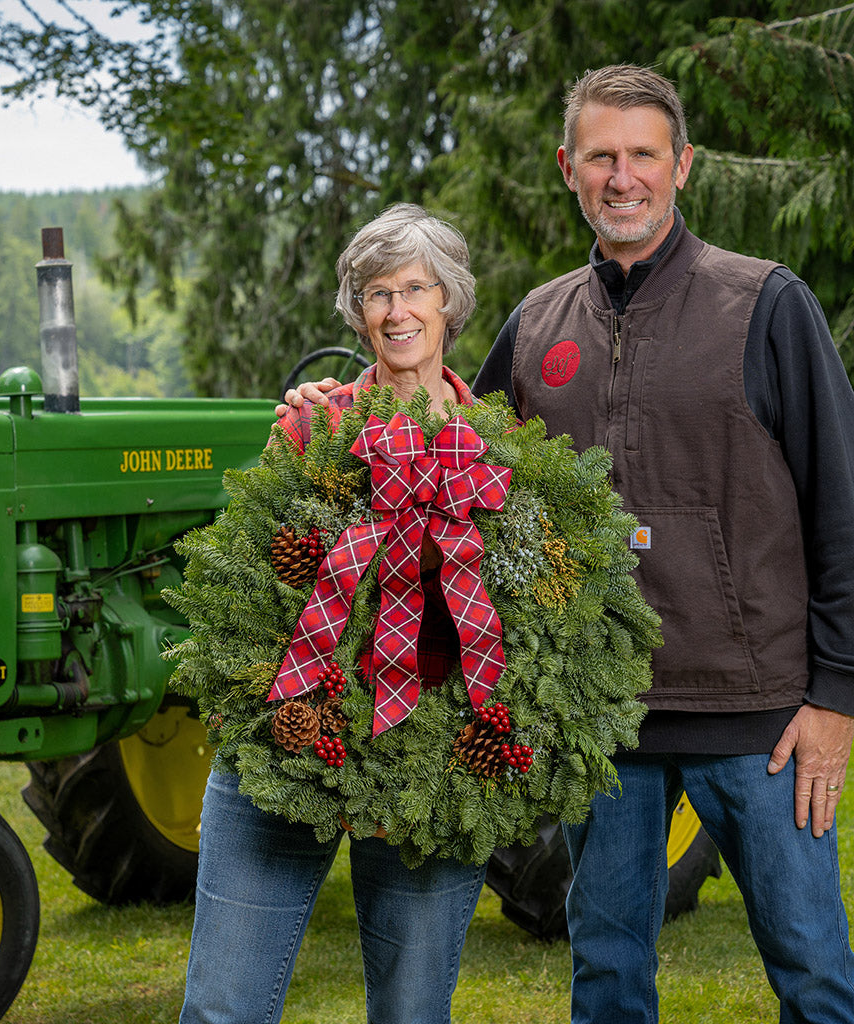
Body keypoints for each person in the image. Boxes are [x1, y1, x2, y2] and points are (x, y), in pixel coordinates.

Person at [283, 65, 854, 1023]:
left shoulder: (764, 304)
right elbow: (443, 441)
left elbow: (841, 506)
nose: (621, 176)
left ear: (681, 166)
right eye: (600, 156)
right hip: (602, 726)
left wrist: (835, 695)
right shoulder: (538, 323)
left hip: (757, 720)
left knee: (815, 977)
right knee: (606, 979)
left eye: (642, 154)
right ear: (568, 168)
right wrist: (329, 412)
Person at [179, 203, 486, 1024]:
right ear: (357, 311)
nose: (396, 312)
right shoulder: (311, 424)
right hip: (289, 745)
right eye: (376, 294)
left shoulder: (501, 446)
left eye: (414, 288)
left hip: (427, 762)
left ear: (448, 300)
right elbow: (248, 576)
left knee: (413, 1013)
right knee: (222, 1010)